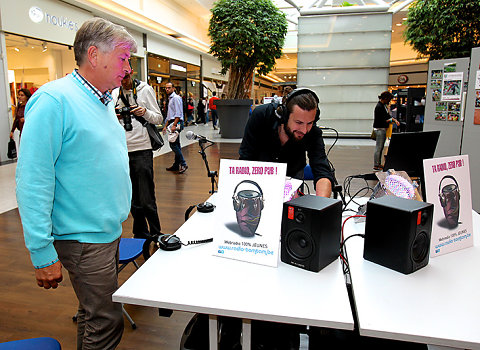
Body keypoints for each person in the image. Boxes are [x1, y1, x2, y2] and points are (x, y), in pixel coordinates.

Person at [15, 17, 136, 350]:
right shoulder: (55, 101)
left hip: (104, 229)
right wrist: (41, 252)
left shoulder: (102, 100)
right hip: (82, 237)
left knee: (91, 313)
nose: (127, 68)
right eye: (123, 58)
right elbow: (32, 179)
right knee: (107, 320)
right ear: (95, 56)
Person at [239, 87, 334, 197]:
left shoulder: (312, 132)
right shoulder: (261, 116)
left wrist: (320, 207)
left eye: (309, 123)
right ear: (284, 116)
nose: (304, 130)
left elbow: (321, 169)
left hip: (294, 177)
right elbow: (245, 160)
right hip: (259, 178)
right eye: (298, 122)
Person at [111, 72, 163, 240]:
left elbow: (158, 118)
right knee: (132, 197)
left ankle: (156, 233)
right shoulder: (114, 93)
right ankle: (140, 233)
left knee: (147, 196)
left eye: (125, 77)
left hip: (142, 149)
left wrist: (145, 112)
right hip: (122, 150)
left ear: (131, 74)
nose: (123, 81)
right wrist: (115, 116)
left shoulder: (145, 90)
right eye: (120, 78)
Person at [163, 82, 188, 173]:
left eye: (169, 88)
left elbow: (178, 113)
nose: (167, 89)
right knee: (176, 144)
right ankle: (176, 165)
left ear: (173, 88)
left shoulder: (176, 98)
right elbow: (170, 114)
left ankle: (183, 163)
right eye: (166, 88)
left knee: (173, 144)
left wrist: (174, 125)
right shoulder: (170, 99)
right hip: (172, 122)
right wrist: (165, 126)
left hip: (176, 122)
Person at [373, 91, 400, 170]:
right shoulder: (380, 106)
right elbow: (385, 118)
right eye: (389, 99)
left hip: (381, 128)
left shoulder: (382, 105)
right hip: (380, 129)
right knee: (379, 147)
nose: (389, 101)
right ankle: (376, 164)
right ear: (385, 98)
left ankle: (378, 163)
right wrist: (393, 120)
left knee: (380, 147)